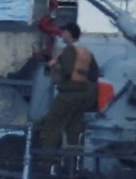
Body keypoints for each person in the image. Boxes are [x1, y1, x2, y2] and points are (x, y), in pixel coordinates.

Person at [36, 22, 100, 150]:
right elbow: (94, 74)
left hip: (69, 93)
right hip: (85, 94)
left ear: (69, 33)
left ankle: (48, 157)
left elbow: (67, 70)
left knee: (51, 122)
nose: (61, 35)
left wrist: (55, 66)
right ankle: (71, 157)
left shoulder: (69, 50)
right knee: (73, 125)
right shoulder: (86, 51)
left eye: (63, 32)